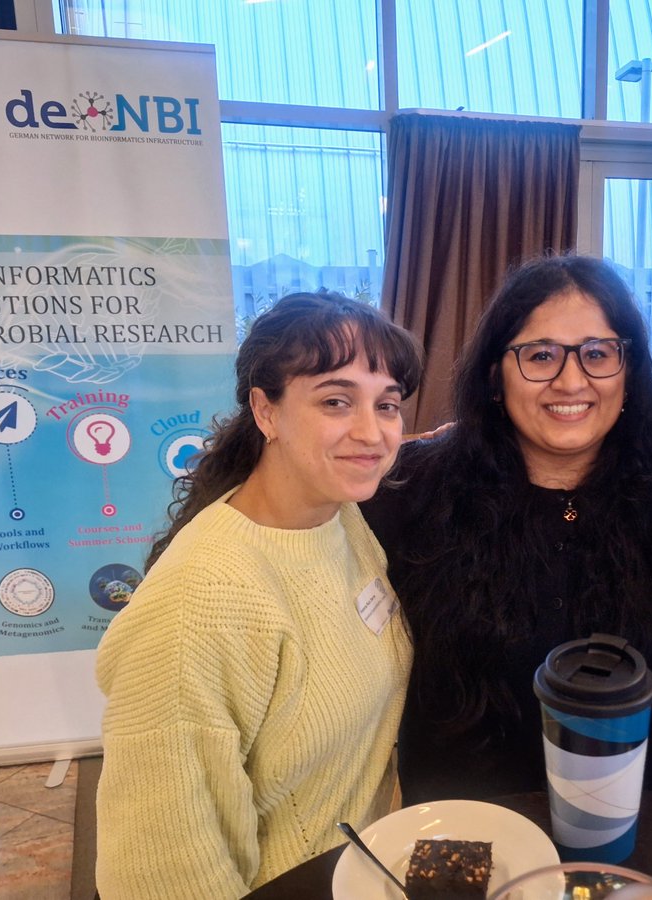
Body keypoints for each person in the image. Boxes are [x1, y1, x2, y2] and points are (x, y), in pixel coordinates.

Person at [95, 292, 422, 898]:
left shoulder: (339, 517)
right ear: (265, 411)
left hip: (369, 869)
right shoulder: (200, 605)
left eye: (388, 405)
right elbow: (161, 874)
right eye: (335, 401)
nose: (372, 432)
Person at [361, 254, 652, 804]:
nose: (571, 381)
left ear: (629, 373)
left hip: (648, 823)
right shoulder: (413, 490)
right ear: (496, 377)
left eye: (598, 353)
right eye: (541, 355)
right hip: (467, 829)